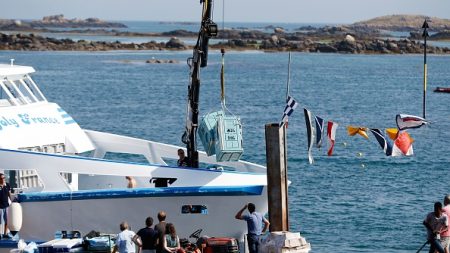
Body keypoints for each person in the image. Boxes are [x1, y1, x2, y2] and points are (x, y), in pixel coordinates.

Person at [0, 173, 12, 239]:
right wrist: (1, 186)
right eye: (1, 178)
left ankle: (5, 233)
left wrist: (11, 201)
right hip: (0, 207)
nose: (3, 179)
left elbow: (9, 194)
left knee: (7, 221)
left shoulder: (7, 185)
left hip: (6, 205)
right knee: (0, 221)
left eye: (4, 178)